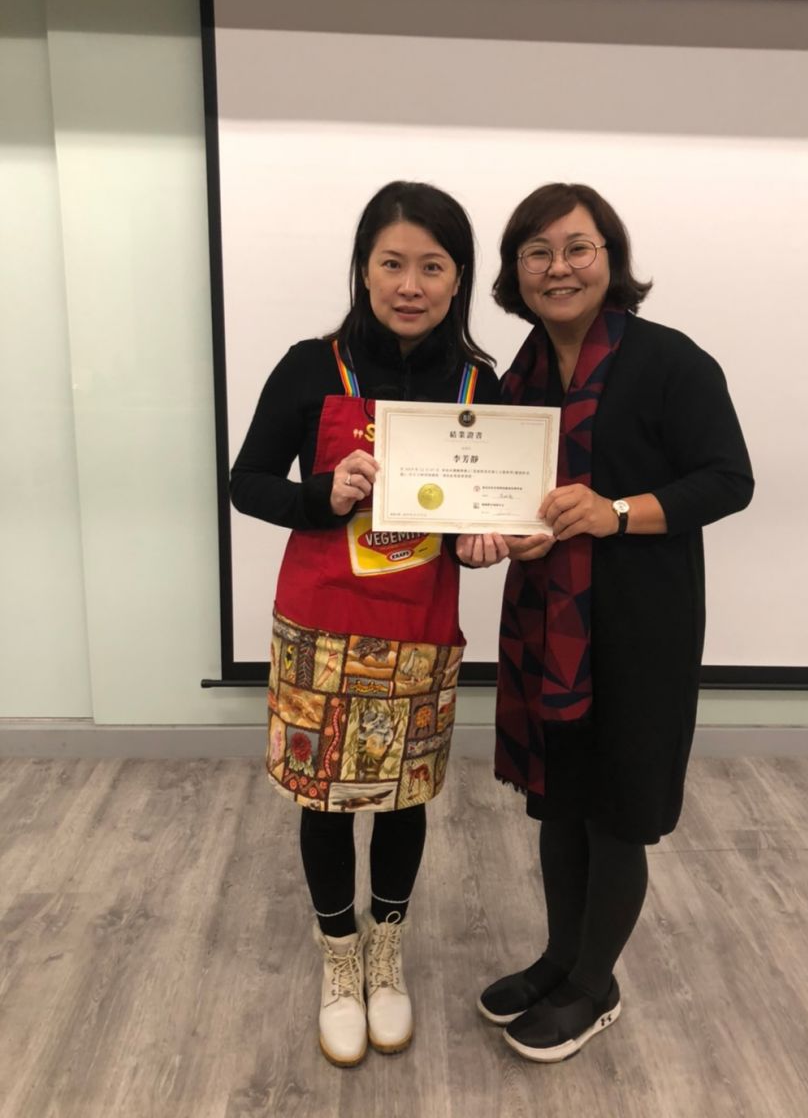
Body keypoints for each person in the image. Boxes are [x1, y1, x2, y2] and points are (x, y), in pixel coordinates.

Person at [475, 182, 754, 1063]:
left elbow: (728, 479)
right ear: (516, 272)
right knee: (559, 805)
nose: (558, 268)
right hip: (546, 624)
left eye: (577, 248)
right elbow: (511, 495)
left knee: (616, 812)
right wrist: (501, 534)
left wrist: (616, 513)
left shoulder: (671, 361)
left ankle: (595, 987)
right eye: (537, 252)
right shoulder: (517, 376)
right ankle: (560, 960)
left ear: (611, 258)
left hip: (639, 627)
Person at [230, 181, 502, 1068]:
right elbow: (247, 482)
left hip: (419, 628)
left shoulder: (479, 383)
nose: (410, 285)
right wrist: (321, 494)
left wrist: (482, 544)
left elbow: (479, 512)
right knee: (325, 799)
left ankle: (389, 950)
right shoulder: (312, 367)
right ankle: (340, 956)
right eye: (392, 264)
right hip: (321, 628)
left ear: (459, 277)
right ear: (364, 268)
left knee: (402, 797)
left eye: (433, 266)